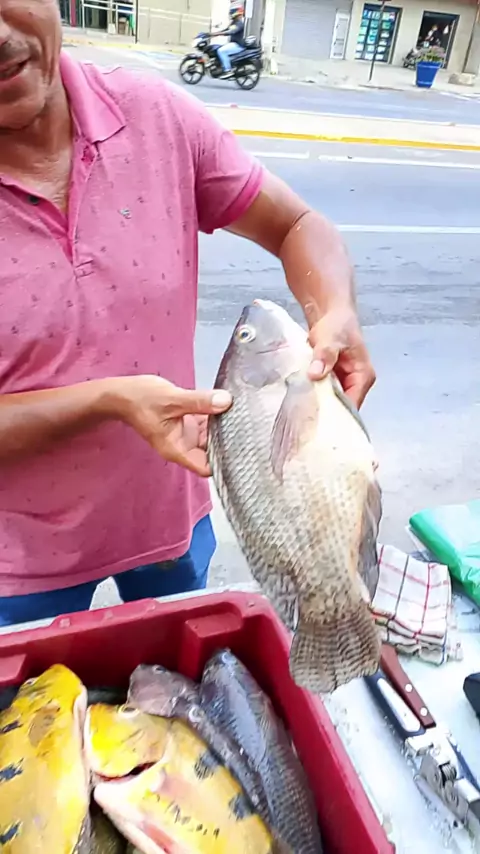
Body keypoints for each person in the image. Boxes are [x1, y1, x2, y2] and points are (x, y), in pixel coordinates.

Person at [0, 0, 375, 627]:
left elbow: (297, 225)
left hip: (170, 518)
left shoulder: (155, 116)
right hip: (18, 565)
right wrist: (109, 400)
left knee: (188, 676)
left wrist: (334, 310)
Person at [215, 5, 247, 78]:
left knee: (221, 51)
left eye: (231, 13)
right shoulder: (233, 22)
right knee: (217, 48)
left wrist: (219, 33)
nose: (230, 15)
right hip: (233, 44)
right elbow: (226, 30)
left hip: (238, 45)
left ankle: (228, 70)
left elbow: (231, 31)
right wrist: (213, 34)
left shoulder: (239, 24)